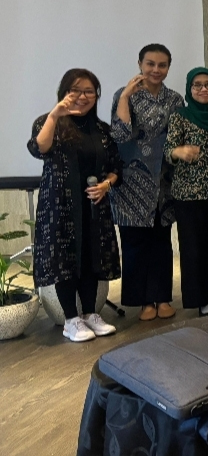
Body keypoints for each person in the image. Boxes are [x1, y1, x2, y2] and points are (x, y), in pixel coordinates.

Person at [28, 69, 121, 342]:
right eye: (75, 90)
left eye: (89, 91)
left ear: (96, 95)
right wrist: (55, 115)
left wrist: (106, 185)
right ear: (64, 93)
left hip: (94, 205)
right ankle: (71, 320)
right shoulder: (48, 121)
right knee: (65, 259)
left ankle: (91, 314)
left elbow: (116, 166)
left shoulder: (102, 130)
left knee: (91, 257)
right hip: (60, 207)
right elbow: (39, 148)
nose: (82, 96)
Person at [109, 43, 184, 321]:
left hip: (163, 181)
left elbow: (178, 136)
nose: (156, 70)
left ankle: (162, 297)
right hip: (131, 182)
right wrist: (125, 97)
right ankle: (144, 302)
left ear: (168, 68)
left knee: (161, 243)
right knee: (135, 244)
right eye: (150, 64)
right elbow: (120, 135)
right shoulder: (124, 94)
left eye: (162, 65)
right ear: (140, 64)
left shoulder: (174, 99)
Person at [165, 68, 208, 316]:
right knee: (195, 250)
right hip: (189, 196)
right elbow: (168, 151)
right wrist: (179, 151)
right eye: (197, 85)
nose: (203, 89)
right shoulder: (180, 116)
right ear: (189, 89)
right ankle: (201, 299)